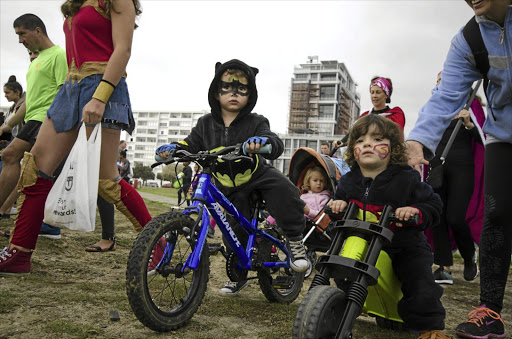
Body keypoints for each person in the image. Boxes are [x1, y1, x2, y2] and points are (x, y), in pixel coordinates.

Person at [0, 2, 153, 274]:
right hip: (70, 87)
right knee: (35, 169)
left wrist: (99, 97)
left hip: (102, 84)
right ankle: (18, 253)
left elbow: (123, 50)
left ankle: (158, 243)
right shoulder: (75, 4)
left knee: (106, 180)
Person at [156, 59, 308, 295]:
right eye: (226, 88)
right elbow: (191, 144)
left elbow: (273, 141)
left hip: (256, 175)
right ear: (216, 93)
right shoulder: (205, 123)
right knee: (233, 233)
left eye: (241, 89)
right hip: (227, 186)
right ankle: (238, 276)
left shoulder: (256, 121)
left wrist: (263, 143)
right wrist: (174, 149)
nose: (233, 94)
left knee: (284, 190)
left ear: (251, 94)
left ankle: (296, 241)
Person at [406, 1, 511, 338]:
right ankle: (490, 311)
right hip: (503, 134)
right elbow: (445, 96)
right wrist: (416, 141)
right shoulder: (467, 40)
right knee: (498, 212)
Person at [328, 114, 448, 339]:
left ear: (393, 148)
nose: (367, 145)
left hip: (403, 245)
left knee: (419, 280)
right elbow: (338, 208)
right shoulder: (348, 180)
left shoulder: (406, 178)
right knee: (342, 268)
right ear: (353, 148)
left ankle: (430, 327)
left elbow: (433, 204)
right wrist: (337, 205)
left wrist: (416, 211)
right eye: (361, 141)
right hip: (364, 242)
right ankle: (340, 307)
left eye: (376, 139)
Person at [429, 72, 485, 285]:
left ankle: (469, 256)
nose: (440, 84)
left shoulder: (471, 105)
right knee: (438, 217)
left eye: (444, 80)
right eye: (438, 81)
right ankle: (444, 267)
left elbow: (485, 139)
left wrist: (469, 123)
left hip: (463, 168)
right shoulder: (435, 106)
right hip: (437, 166)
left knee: (455, 217)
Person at [333, 76, 405, 149]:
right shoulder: (365, 115)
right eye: (372, 92)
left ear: (386, 95)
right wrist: (342, 142)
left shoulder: (396, 114)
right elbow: (353, 133)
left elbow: (397, 137)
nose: (374, 96)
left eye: (378, 92)